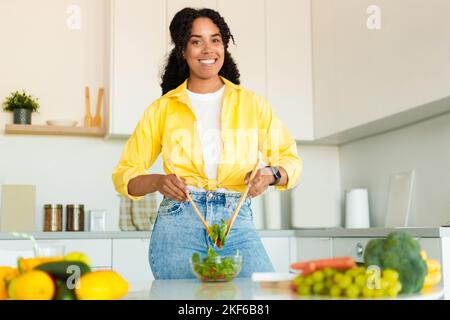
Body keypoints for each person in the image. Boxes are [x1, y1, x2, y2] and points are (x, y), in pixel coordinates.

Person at [112, 7, 302, 279]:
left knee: (262, 296)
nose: (208, 49)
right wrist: (158, 181)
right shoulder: (162, 109)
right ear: (183, 50)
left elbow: (289, 159)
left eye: (215, 40)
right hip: (179, 224)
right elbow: (125, 175)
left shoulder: (252, 104)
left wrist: (270, 175)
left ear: (224, 46)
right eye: (196, 41)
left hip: (237, 223)